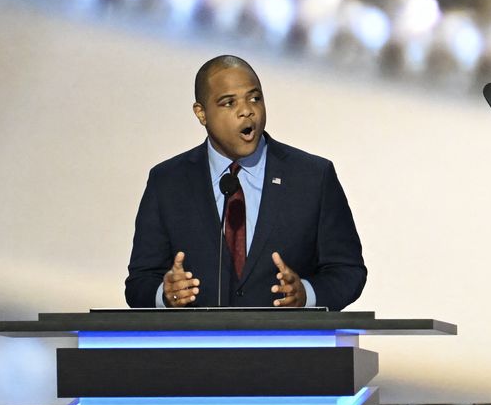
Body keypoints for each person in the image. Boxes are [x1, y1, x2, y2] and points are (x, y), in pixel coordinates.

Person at [125, 54, 367, 309]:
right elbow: (139, 282)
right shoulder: (168, 182)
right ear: (201, 113)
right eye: (229, 103)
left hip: (287, 347)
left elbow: (348, 271)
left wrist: (307, 294)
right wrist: (165, 294)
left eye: (255, 98)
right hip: (198, 347)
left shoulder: (312, 177)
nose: (246, 110)